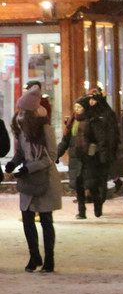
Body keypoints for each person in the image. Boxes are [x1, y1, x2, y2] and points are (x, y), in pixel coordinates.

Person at [6, 85, 62, 272]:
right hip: (29, 181)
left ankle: (49, 259)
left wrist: (29, 168)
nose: (19, 114)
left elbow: (50, 156)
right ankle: (34, 256)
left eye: (23, 110)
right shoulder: (23, 129)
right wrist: (14, 163)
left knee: (46, 219)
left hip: (45, 179)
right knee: (27, 218)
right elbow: (22, 151)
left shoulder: (44, 128)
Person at [58, 93, 114, 219]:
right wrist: (57, 154)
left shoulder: (94, 121)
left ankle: (97, 204)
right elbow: (65, 140)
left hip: (90, 158)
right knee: (78, 185)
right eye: (75, 107)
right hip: (76, 158)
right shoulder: (73, 122)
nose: (77, 110)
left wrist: (103, 157)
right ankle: (81, 211)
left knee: (91, 185)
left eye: (79, 107)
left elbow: (102, 140)